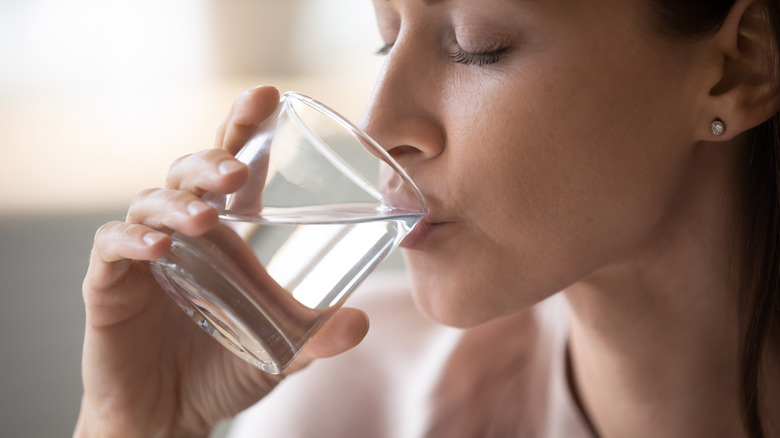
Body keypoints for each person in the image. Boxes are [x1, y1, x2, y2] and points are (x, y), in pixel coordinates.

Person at [74, 0, 780, 436]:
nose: (377, 126)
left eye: (477, 45)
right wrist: (139, 427)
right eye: (386, 38)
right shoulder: (348, 411)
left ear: (738, 69)